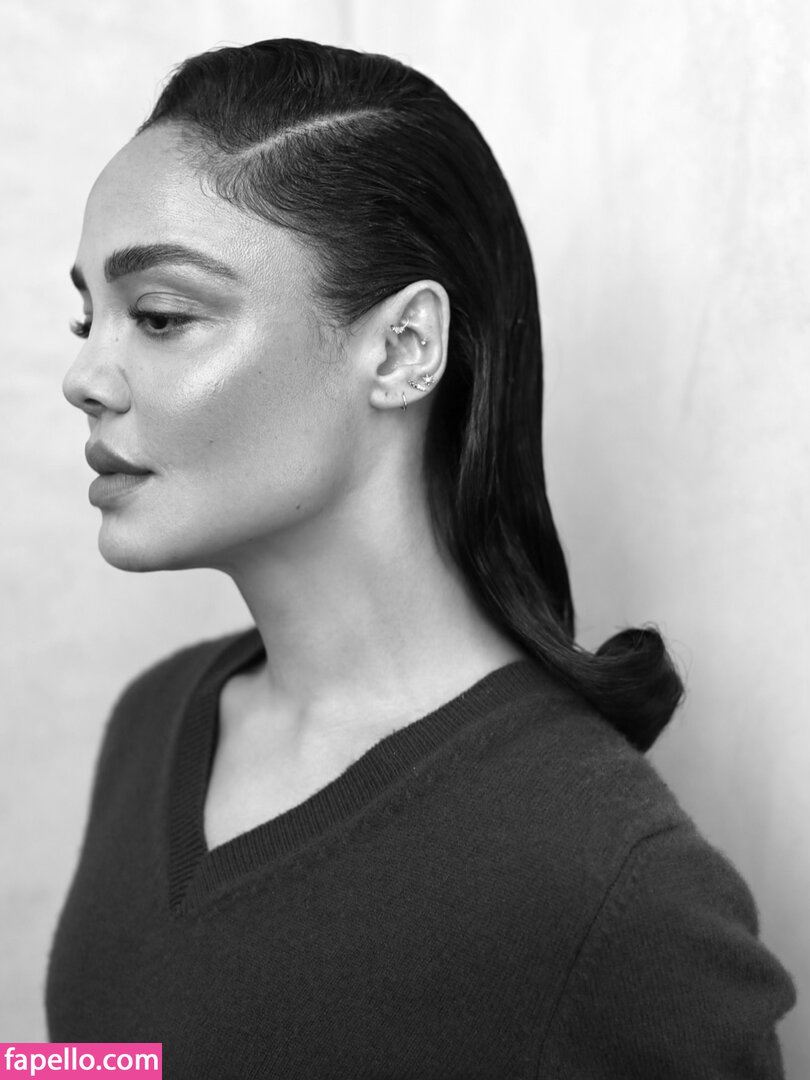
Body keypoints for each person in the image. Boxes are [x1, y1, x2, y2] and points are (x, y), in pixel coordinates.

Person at [47, 38, 795, 1078]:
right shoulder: (153, 723)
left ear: (403, 349)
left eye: (161, 317)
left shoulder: (610, 889)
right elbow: (113, 1062)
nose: (84, 377)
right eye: (88, 318)